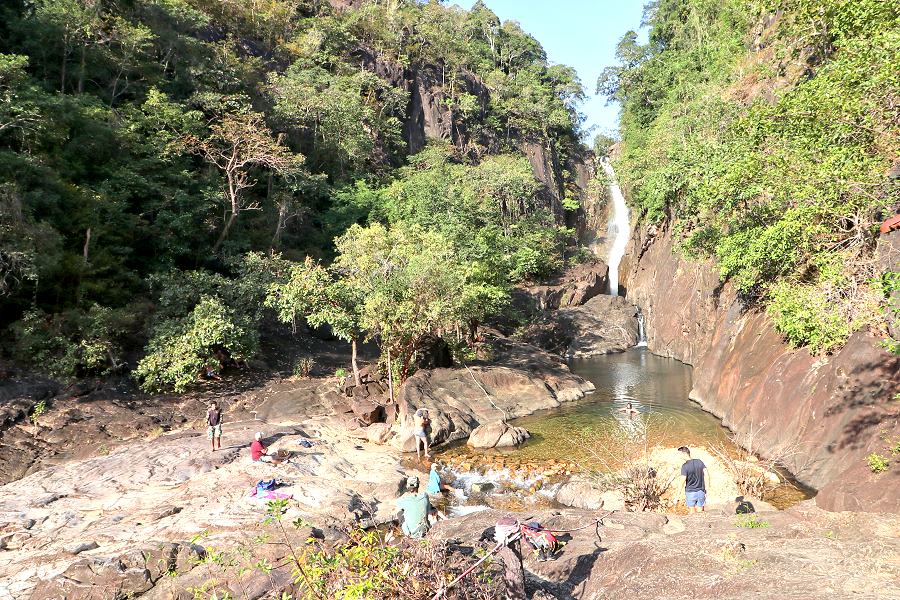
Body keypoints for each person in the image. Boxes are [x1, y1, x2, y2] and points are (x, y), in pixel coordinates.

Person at [677, 446, 710, 512]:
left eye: (679, 454)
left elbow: (682, 481)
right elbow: (707, 475)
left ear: (684, 454)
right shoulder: (699, 462)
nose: (679, 456)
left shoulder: (685, 466)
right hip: (701, 491)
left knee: (692, 513)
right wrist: (708, 488)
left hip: (690, 492)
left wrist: (677, 495)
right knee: (700, 511)